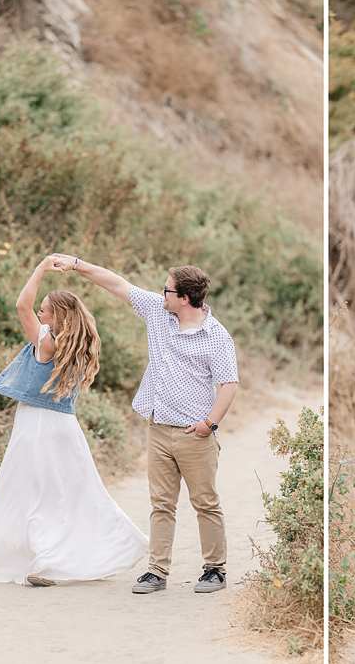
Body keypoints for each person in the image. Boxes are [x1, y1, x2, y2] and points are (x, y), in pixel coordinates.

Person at [50, 254, 239, 595]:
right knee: (160, 505)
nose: (160, 293)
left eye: (166, 290)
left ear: (184, 298)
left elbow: (229, 383)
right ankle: (156, 571)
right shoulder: (158, 311)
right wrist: (77, 264)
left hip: (194, 435)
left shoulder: (216, 336)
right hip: (158, 428)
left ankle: (215, 570)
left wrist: (209, 424)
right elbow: (117, 284)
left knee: (205, 502)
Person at [0, 256, 148, 587]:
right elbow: (29, 308)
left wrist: (39, 268)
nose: (39, 313)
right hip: (66, 429)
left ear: (57, 317)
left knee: (30, 492)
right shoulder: (79, 349)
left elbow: (20, 305)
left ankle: (45, 560)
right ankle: (81, 551)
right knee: (70, 494)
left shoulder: (48, 343)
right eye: (41, 309)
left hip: (36, 426)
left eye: (45, 310)